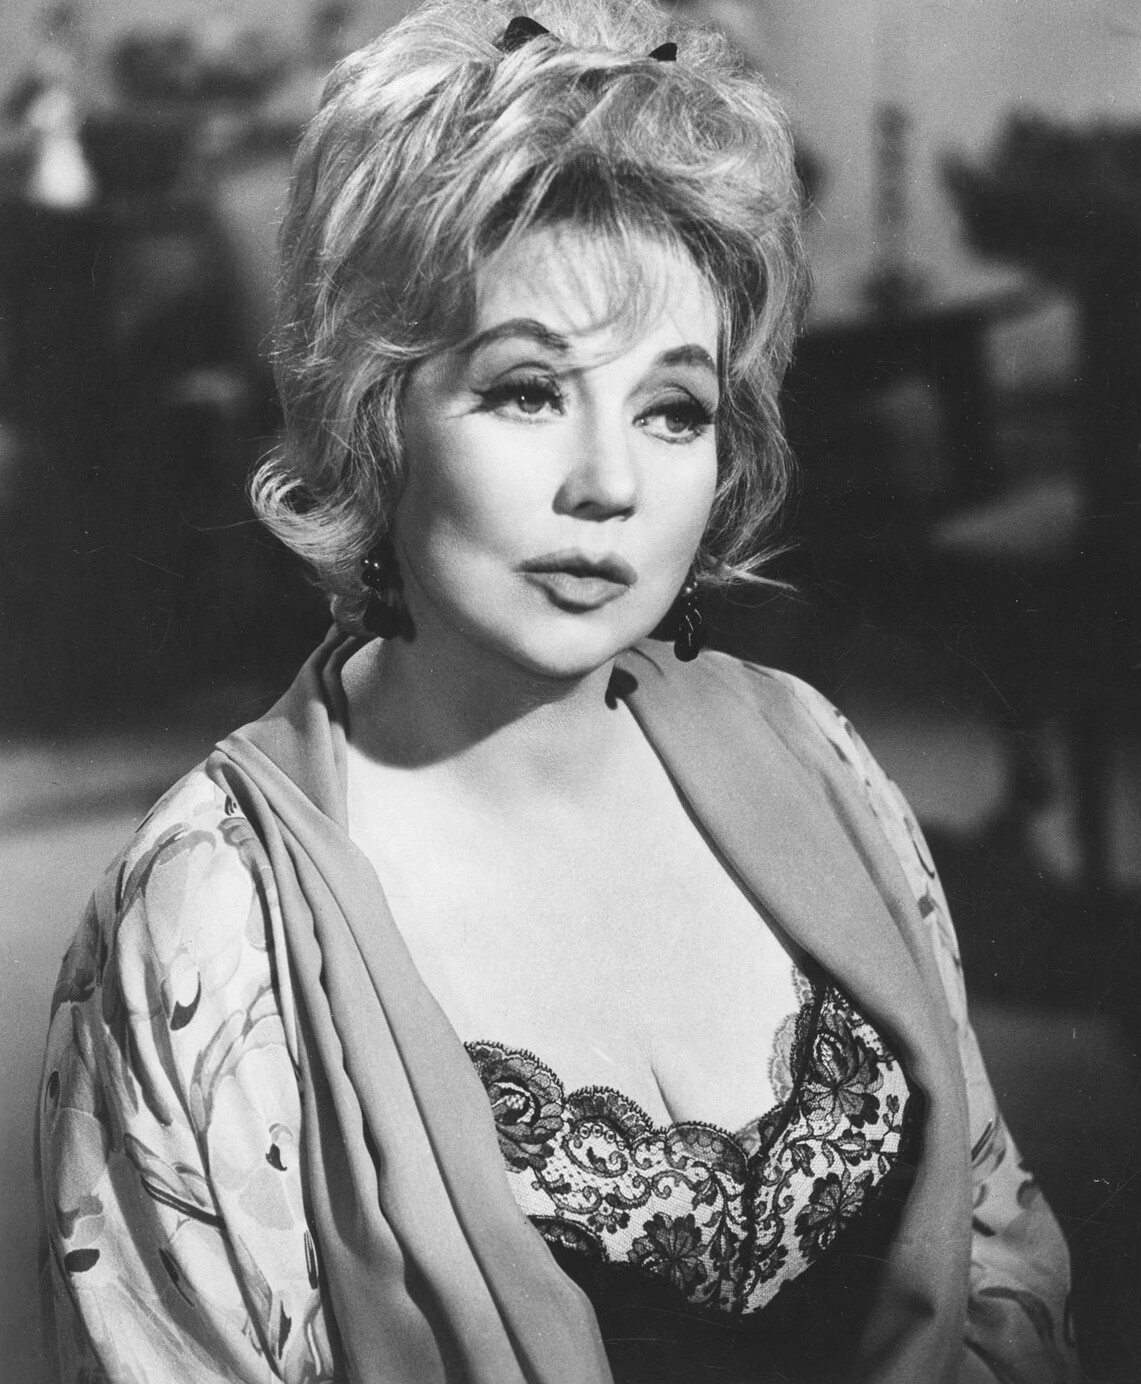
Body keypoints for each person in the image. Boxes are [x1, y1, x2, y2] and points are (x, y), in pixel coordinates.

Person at [37, 2, 1078, 1381]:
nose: (610, 484)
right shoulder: (211, 918)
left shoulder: (815, 754)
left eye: (673, 409)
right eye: (529, 390)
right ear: (373, 412)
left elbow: (997, 1250)